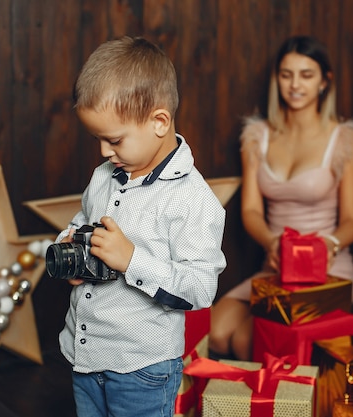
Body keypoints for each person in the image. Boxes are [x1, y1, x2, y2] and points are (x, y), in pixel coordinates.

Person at [55, 36, 227, 417]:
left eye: (114, 139)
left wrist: (131, 260)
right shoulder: (105, 176)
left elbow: (200, 289)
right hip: (84, 355)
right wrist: (70, 245)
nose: (103, 152)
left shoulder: (192, 200)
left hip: (142, 368)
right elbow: (81, 221)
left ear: (159, 122)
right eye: (97, 138)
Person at [209, 35, 353, 361]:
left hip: (327, 268)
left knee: (245, 342)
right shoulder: (256, 137)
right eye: (286, 74)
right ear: (276, 78)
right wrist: (272, 243)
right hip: (275, 263)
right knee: (217, 333)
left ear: (325, 81)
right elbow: (251, 210)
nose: (295, 84)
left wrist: (330, 245)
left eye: (306, 75)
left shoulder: (345, 139)